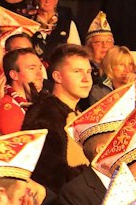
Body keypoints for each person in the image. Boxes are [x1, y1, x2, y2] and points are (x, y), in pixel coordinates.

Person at [23, 43, 93, 190]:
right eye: (77, 71)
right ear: (57, 76)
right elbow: (47, 178)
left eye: (88, 72)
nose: (86, 79)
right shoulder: (44, 115)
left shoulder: (79, 113)